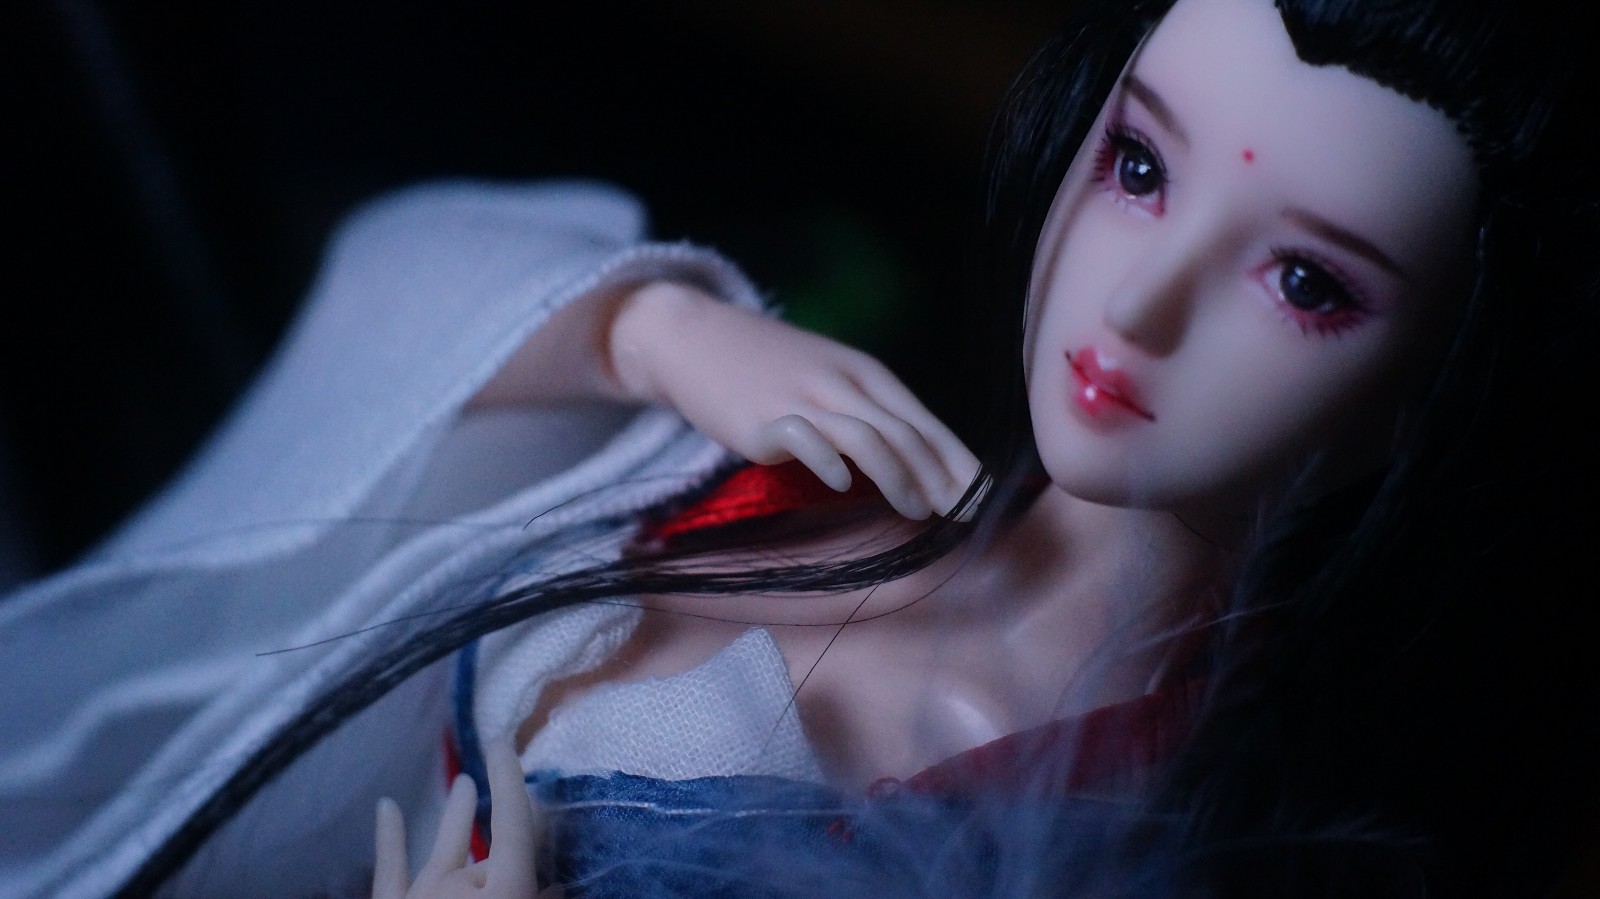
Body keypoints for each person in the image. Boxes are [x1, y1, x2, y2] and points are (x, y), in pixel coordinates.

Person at [2, 0, 1596, 895]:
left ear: (1435, 393)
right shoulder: (827, 450)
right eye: (1138, 167)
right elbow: (408, 275)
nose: (1143, 302)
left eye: (1306, 283)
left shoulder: (1124, 844)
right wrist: (650, 330)